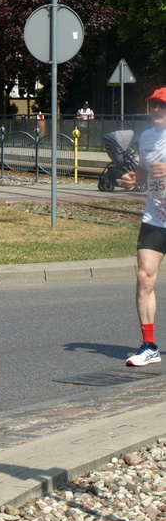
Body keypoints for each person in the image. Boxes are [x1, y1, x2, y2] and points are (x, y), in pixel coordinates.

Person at [119, 86, 166, 367]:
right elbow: (142, 174)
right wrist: (132, 181)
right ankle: (149, 346)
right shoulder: (147, 137)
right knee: (143, 277)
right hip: (155, 217)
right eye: (153, 106)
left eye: (162, 106)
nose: (156, 110)